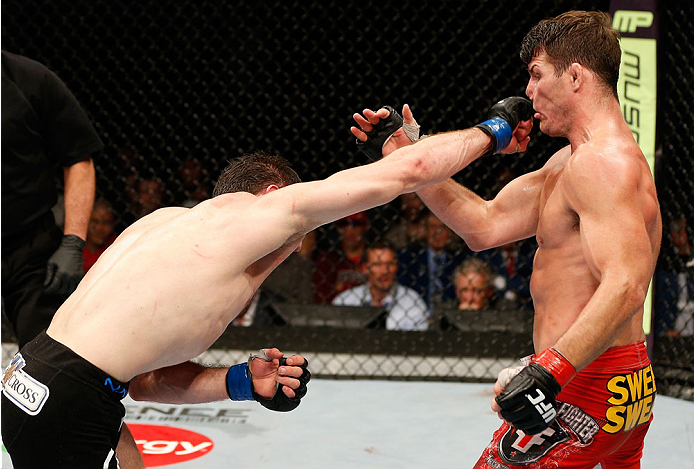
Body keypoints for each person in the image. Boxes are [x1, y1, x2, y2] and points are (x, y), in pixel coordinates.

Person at [2, 119, 530, 467]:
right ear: (273, 194)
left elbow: (140, 382)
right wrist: (494, 129)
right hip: (71, 401)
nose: (300, 240)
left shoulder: (164, 225)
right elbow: (407, 173)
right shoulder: (264, 213)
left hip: (31, 379)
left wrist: (242, 382)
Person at [352, 11, 661, 466]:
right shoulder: (571, 163)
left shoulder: (601, 163)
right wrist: (405, 157)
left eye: (537, 75)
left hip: (583, 385)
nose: (529, 91)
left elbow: (627, 284)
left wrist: (547, 372)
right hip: (623, 386)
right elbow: (483, 224)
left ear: (575, 76)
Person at [1, 50, 98, 349]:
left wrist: (73, 241)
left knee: (47, 357)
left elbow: (79, 157)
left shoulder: (30, 78)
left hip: (28, 246)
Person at [332, 241, 429, 330]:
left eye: (389, 264)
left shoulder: (413, 303)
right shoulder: (345, 301)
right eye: (378, 264)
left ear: (396, 266)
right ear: (365, 268)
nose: (385, 271)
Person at [397, 212, 467, 311]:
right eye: (433, 226)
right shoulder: (410, 258)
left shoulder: (459, 260)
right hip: (415, 310)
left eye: (442, 227)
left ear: (450, 231)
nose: (437, 232)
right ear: (425, 231)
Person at [313, 211, 369, 303]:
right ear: (338, 228)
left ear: (365, 226)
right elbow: (320, 298)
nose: (350, 231)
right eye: (344, 224)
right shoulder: (327, 259)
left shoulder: (375, 257)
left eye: (356, 224)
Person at [83, 199, 118, 272]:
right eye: (95, 221)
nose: (99, 228)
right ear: (87, 221)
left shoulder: (117, 246)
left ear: (113, 224)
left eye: (106, 223)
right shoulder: (76, 245)